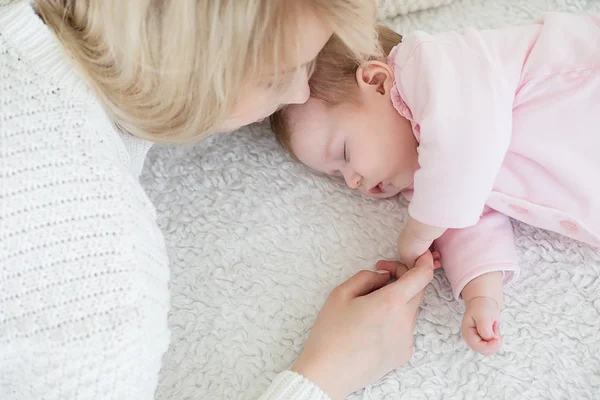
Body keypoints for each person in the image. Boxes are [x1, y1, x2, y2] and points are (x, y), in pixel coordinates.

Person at [0, 1, 438, 399]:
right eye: (279, 75)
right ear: (187, 68)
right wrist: (327, 375)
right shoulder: (91, 263)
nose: (299, 94)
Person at [271, 14, 600, 356]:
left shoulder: (433, 66)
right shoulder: (429, 181)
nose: (352, 181)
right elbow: (468, 222)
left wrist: (418, 232)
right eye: (337, 176)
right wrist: (481, 295)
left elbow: (464, 149)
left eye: (344, 153)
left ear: (378, 82)